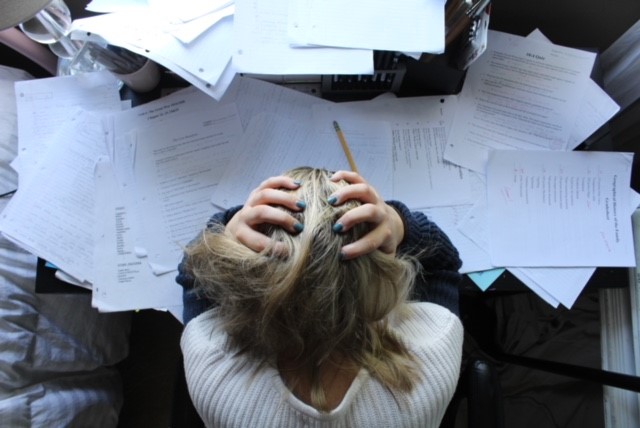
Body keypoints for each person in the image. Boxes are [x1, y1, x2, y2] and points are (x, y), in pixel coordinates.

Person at [177, 167, 463, 427]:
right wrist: (399, 224)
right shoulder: (429, 361)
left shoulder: (214, 372)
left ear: (252, 276)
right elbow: (442, 266)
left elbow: (194, 278)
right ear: (376, 272)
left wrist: (229, 224)